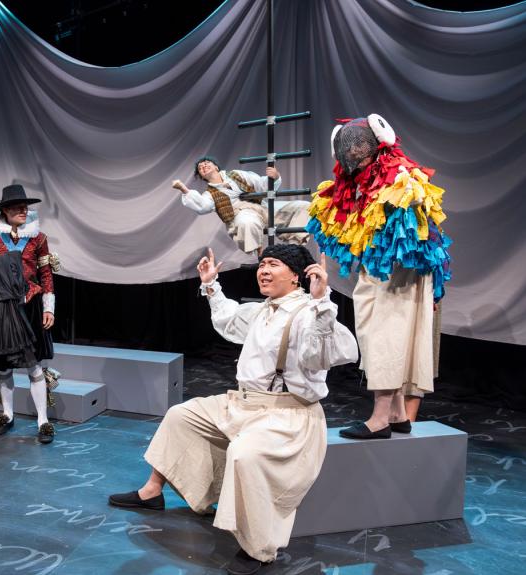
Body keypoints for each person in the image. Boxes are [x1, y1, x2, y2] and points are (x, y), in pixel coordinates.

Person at [109, 244, 358, 574]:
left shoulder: (308, 314)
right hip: (243, 406)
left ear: (297, 276)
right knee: (182, 415)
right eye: (261, 264)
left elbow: (323, 352)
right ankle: (152, 491)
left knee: (244, 453)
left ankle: (257, 547)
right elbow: (228, 318)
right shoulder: (264, 310)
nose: (263, 270)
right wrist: (211, 284)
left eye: (274, 264)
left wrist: (322, 301)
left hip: (288, 415)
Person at [306, 114, 452, 439]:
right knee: (382, 332)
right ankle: (398, 413)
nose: (353, 152)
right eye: (348, 147)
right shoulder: (359, 179)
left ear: (376, 143)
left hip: (397, 268)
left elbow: (421, 230)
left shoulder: (397, 175)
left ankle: (380, 418)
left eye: (358, 145)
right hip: (383, 268)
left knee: (384, 333)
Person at [0, 184, 59, 444]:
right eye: (18, 207)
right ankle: (7, 415)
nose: (24, 210)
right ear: (6, 211)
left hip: (30, 305)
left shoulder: (38, 238)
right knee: (3, 368)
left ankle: (43, 421)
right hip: (1, 306)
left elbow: (46, 274)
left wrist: (48, 307)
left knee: (34, 366)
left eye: (25, 207)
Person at [172, 156, 310, 256]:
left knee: (302, 206)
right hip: (241, 213)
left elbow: (261, 185)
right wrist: (183, 189)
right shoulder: (210, 194)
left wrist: (274, 177)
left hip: (262, 207)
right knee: (247, 223)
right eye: (200, 168)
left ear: (216, 167)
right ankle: (261, 254)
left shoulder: (236, 175)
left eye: (207, 163)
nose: (203, 166)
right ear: (201, 176)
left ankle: (294, 246)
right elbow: (203, 207)